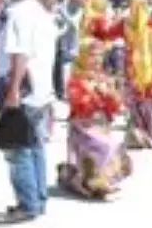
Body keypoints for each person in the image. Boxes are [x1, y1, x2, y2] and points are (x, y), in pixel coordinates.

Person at [0, 0, 58, 224]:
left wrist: (12, 90)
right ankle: (38, 199)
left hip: (24, 90)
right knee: (36, 146)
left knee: (18, 147)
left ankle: (28, 203)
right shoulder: (43, 14)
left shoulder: (17, 14)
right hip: (42, 88)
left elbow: (19, 54)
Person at [91, 0, 152, 149]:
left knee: (137, 102)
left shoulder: (125, 24)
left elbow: (105, 33)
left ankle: (140, 134)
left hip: (133, 69)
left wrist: (97, 17)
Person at [56, 37, 133, 199]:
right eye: (92, 55)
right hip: (82, 126)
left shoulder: (103, 77)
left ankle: (103, 182)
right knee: (106, 145)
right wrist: (95, 93)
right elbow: (78, 103)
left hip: (101, 124)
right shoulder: (75, 78)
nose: (97, 60)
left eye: (99, 55)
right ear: (83, 56)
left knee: (114, 145)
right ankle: (91, 182)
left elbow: (115, 105)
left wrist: (110, 94)